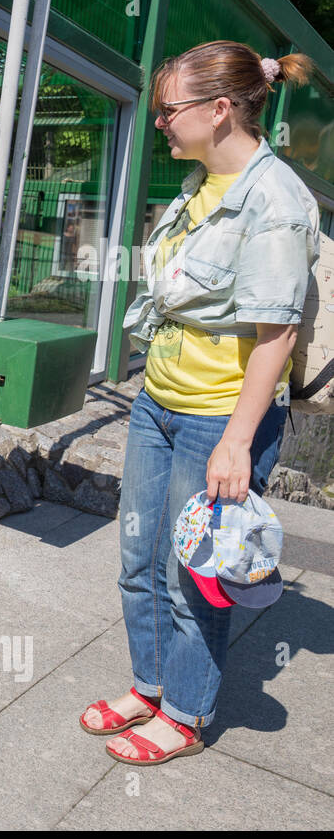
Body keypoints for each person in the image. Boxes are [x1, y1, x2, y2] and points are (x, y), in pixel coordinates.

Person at [80, 43, 318, 765]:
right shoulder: (199, 184)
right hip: (159, 402)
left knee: (195, 574)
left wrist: (238, 443)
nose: (159, 123)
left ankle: (185, 712)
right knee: (137, 558)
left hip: (218, 416)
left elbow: (275, 334)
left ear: (219, 110)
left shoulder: (274, 200)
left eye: (168, 110)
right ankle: (150, 684)